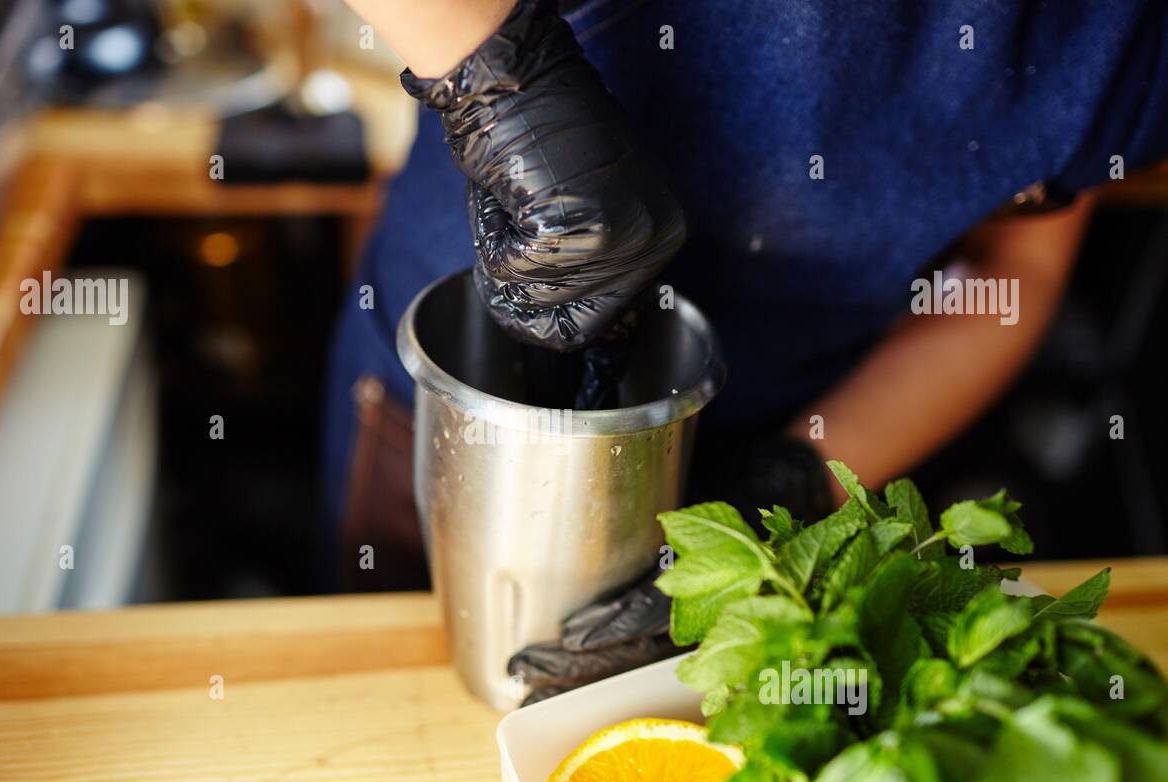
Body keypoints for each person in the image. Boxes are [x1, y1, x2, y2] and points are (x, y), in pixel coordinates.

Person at [323, 0, 1168, 696]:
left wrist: (799, 486)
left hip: (794, 419)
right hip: (454, 438)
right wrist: (501, 83)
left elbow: (1009, 271)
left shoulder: (1132, 39)